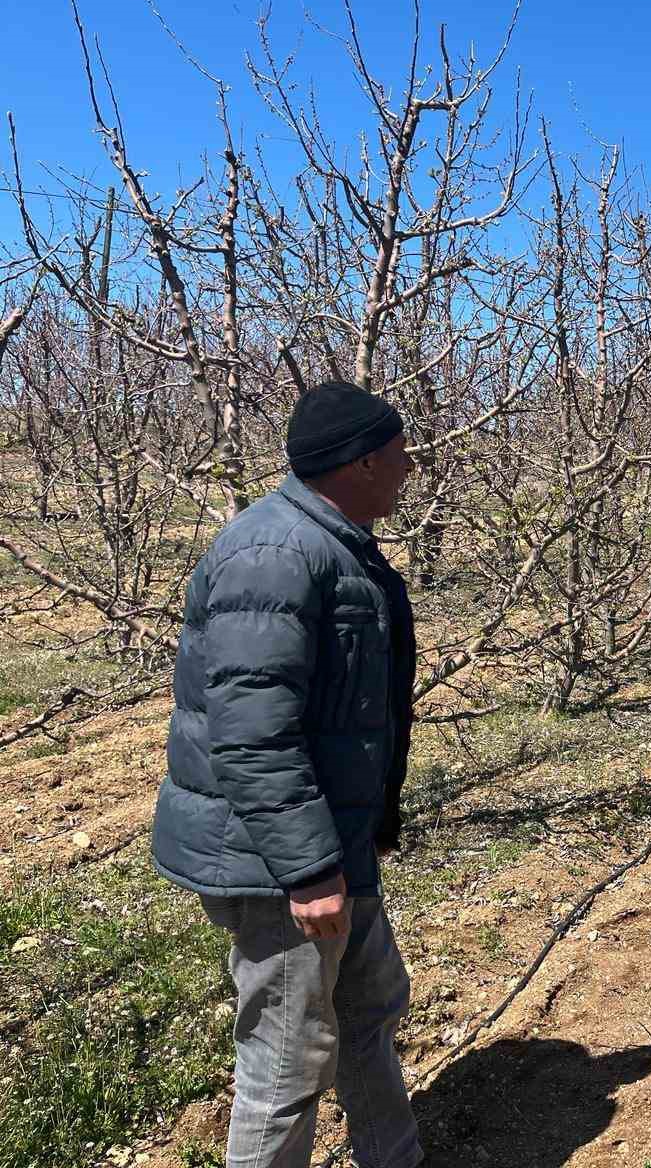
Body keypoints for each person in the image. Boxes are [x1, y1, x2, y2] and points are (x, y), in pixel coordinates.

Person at [153, 381, 421, 1168]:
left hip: (330, 841)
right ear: (363, 462)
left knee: (369, 1008)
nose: (409, 467)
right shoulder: (275, 553)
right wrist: (307, 872)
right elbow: (250, 734)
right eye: (399, 453)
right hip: (275, 862)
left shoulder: (329, 542)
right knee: (286, 1057)